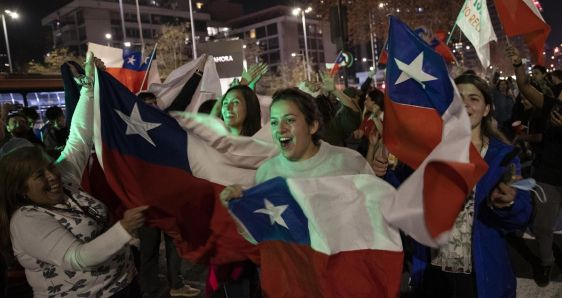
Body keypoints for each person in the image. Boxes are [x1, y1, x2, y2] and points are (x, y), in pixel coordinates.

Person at [0, 53, 149, 297]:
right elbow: (77, 258)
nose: (52, 176)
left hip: (125, 285)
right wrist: (123, 229)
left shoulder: (63, 178)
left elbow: (79, 138)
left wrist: (89, 88)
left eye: (50, 166)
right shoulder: (26, 220)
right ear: (19, 188)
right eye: (39, 175)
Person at [377, 74, 532, 297]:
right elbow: (401, 192)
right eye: (458, 98)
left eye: (474, 99)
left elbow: (522, 216)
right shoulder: (428, 152)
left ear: (487, 109)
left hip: (482, 274)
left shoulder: (503, 157)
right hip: (434, 270)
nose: (466, 105)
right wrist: (384, 173)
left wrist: (508, 203)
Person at [136, 92, 201, 298]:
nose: (151, 108)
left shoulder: (167, 128)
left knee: (175, 244)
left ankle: (176, 284)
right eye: (146, 105)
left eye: (153, 104)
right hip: (146, 203)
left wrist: (198, 73)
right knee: (149, 248)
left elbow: (181, 101)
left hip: (171, 200)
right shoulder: (132, 135)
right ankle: (149, 288)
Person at [508, 45, 562, 287]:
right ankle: (546, 262)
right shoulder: (550, 106)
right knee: (542, 226)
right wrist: (519, 65)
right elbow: (525, 87)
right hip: (548, 176)